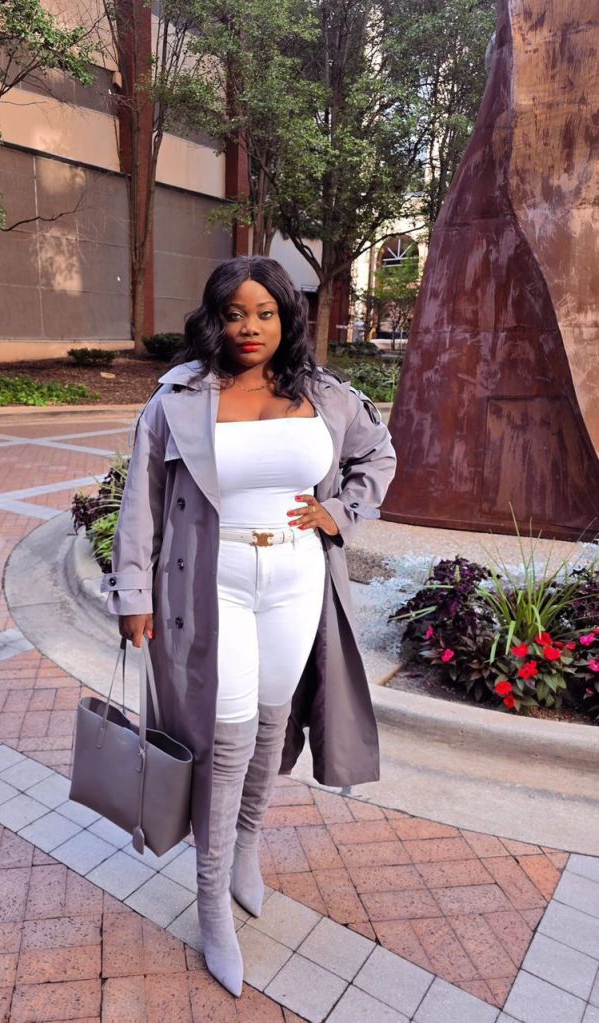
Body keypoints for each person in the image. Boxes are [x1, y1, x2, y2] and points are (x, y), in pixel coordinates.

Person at [102, 255, 396, 997]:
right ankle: (209, 902)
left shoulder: (324, 394)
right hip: (212, 584)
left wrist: (344, 512)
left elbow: (377, 452)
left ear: (286, 317)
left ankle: (244, 850)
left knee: (271, 724)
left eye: (264, 312)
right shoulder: (177, 399)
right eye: (234, 313)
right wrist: (131, 592)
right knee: (224, 735)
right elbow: (141, 501)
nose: (249, 326)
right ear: (214, 318)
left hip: (296, 578)